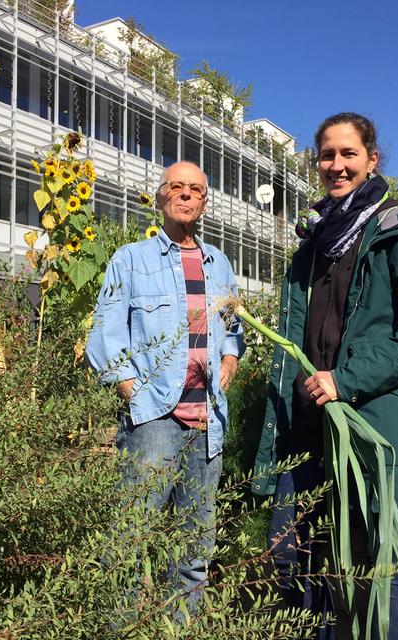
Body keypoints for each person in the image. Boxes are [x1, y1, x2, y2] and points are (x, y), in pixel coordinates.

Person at [252, 113, 398, 638]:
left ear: (372, 159)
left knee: (381, 565)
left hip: (373, 430)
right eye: (328, 155)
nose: (337, 165)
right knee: (294, 557)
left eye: (349, 153)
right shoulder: (312, 248)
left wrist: (346, 379)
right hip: (309, 429)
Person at [86, 161, 244, 609]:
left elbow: (233, 328)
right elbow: (106, 333)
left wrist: (230, 358)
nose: (187, 195)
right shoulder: (131, 260)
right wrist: (131, 390)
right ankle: (121, 628)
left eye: (196, 189)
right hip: (155, 417)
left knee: (195, 551)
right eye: (177, 187)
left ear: (205, 202)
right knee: (127, 545)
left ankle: (181, 627)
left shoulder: (220, 264)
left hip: (208, 420)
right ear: (160, 197)